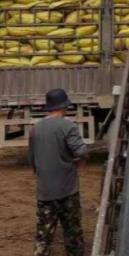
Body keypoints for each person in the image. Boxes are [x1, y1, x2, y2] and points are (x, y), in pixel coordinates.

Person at [29, 88, 89, 256]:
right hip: (67, 190)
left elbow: (32, 160)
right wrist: (81, 161)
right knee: (72, 233)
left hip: (45, 191)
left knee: (43, 235)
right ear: (64, 106)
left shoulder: (36, 128)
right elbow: (81, 151)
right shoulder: (67, 126)